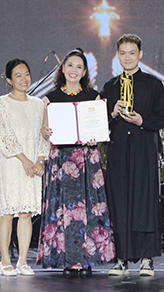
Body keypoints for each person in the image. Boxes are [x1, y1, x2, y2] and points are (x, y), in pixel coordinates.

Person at [38, 49, 115, 277]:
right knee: (63, 210)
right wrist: (45, 130)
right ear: (63, 68)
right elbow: (45, 130)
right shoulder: (51, 98)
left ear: (84, 72)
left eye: (79, 67)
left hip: (86, 159)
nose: (74, 70)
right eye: (70, 65)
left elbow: (101, 130)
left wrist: (96, 136)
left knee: (87, 210)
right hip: (61, 159)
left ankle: (86, 259)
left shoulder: (94, 97)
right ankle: (66, 260)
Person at [100, 33, 164, 276]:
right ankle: (120, 259)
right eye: (122, 53)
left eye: (132, 52)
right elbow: (98, 126)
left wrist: (142, 121)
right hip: (118, 151)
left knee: (144, 203)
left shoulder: (153, 84)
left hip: (144, 150)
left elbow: (163, 118)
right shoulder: (109, 86)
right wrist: (111, 113)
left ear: (140, 54)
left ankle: (147, 259)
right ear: (117, 55)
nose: (127, 57)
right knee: (118, 203)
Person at [0, 59, 49, 277]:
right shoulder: (2, 102)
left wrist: (41, 161)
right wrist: (25, 160)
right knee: (8, 212)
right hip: (13, 164)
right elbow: (5, 136)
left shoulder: (39, 104)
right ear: (9, 80)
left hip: (34, 166)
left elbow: (45, 135)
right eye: (18, 75)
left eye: (26, 74)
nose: (24, 79)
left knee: (26, 213)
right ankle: (5, 261)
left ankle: (23, 261)